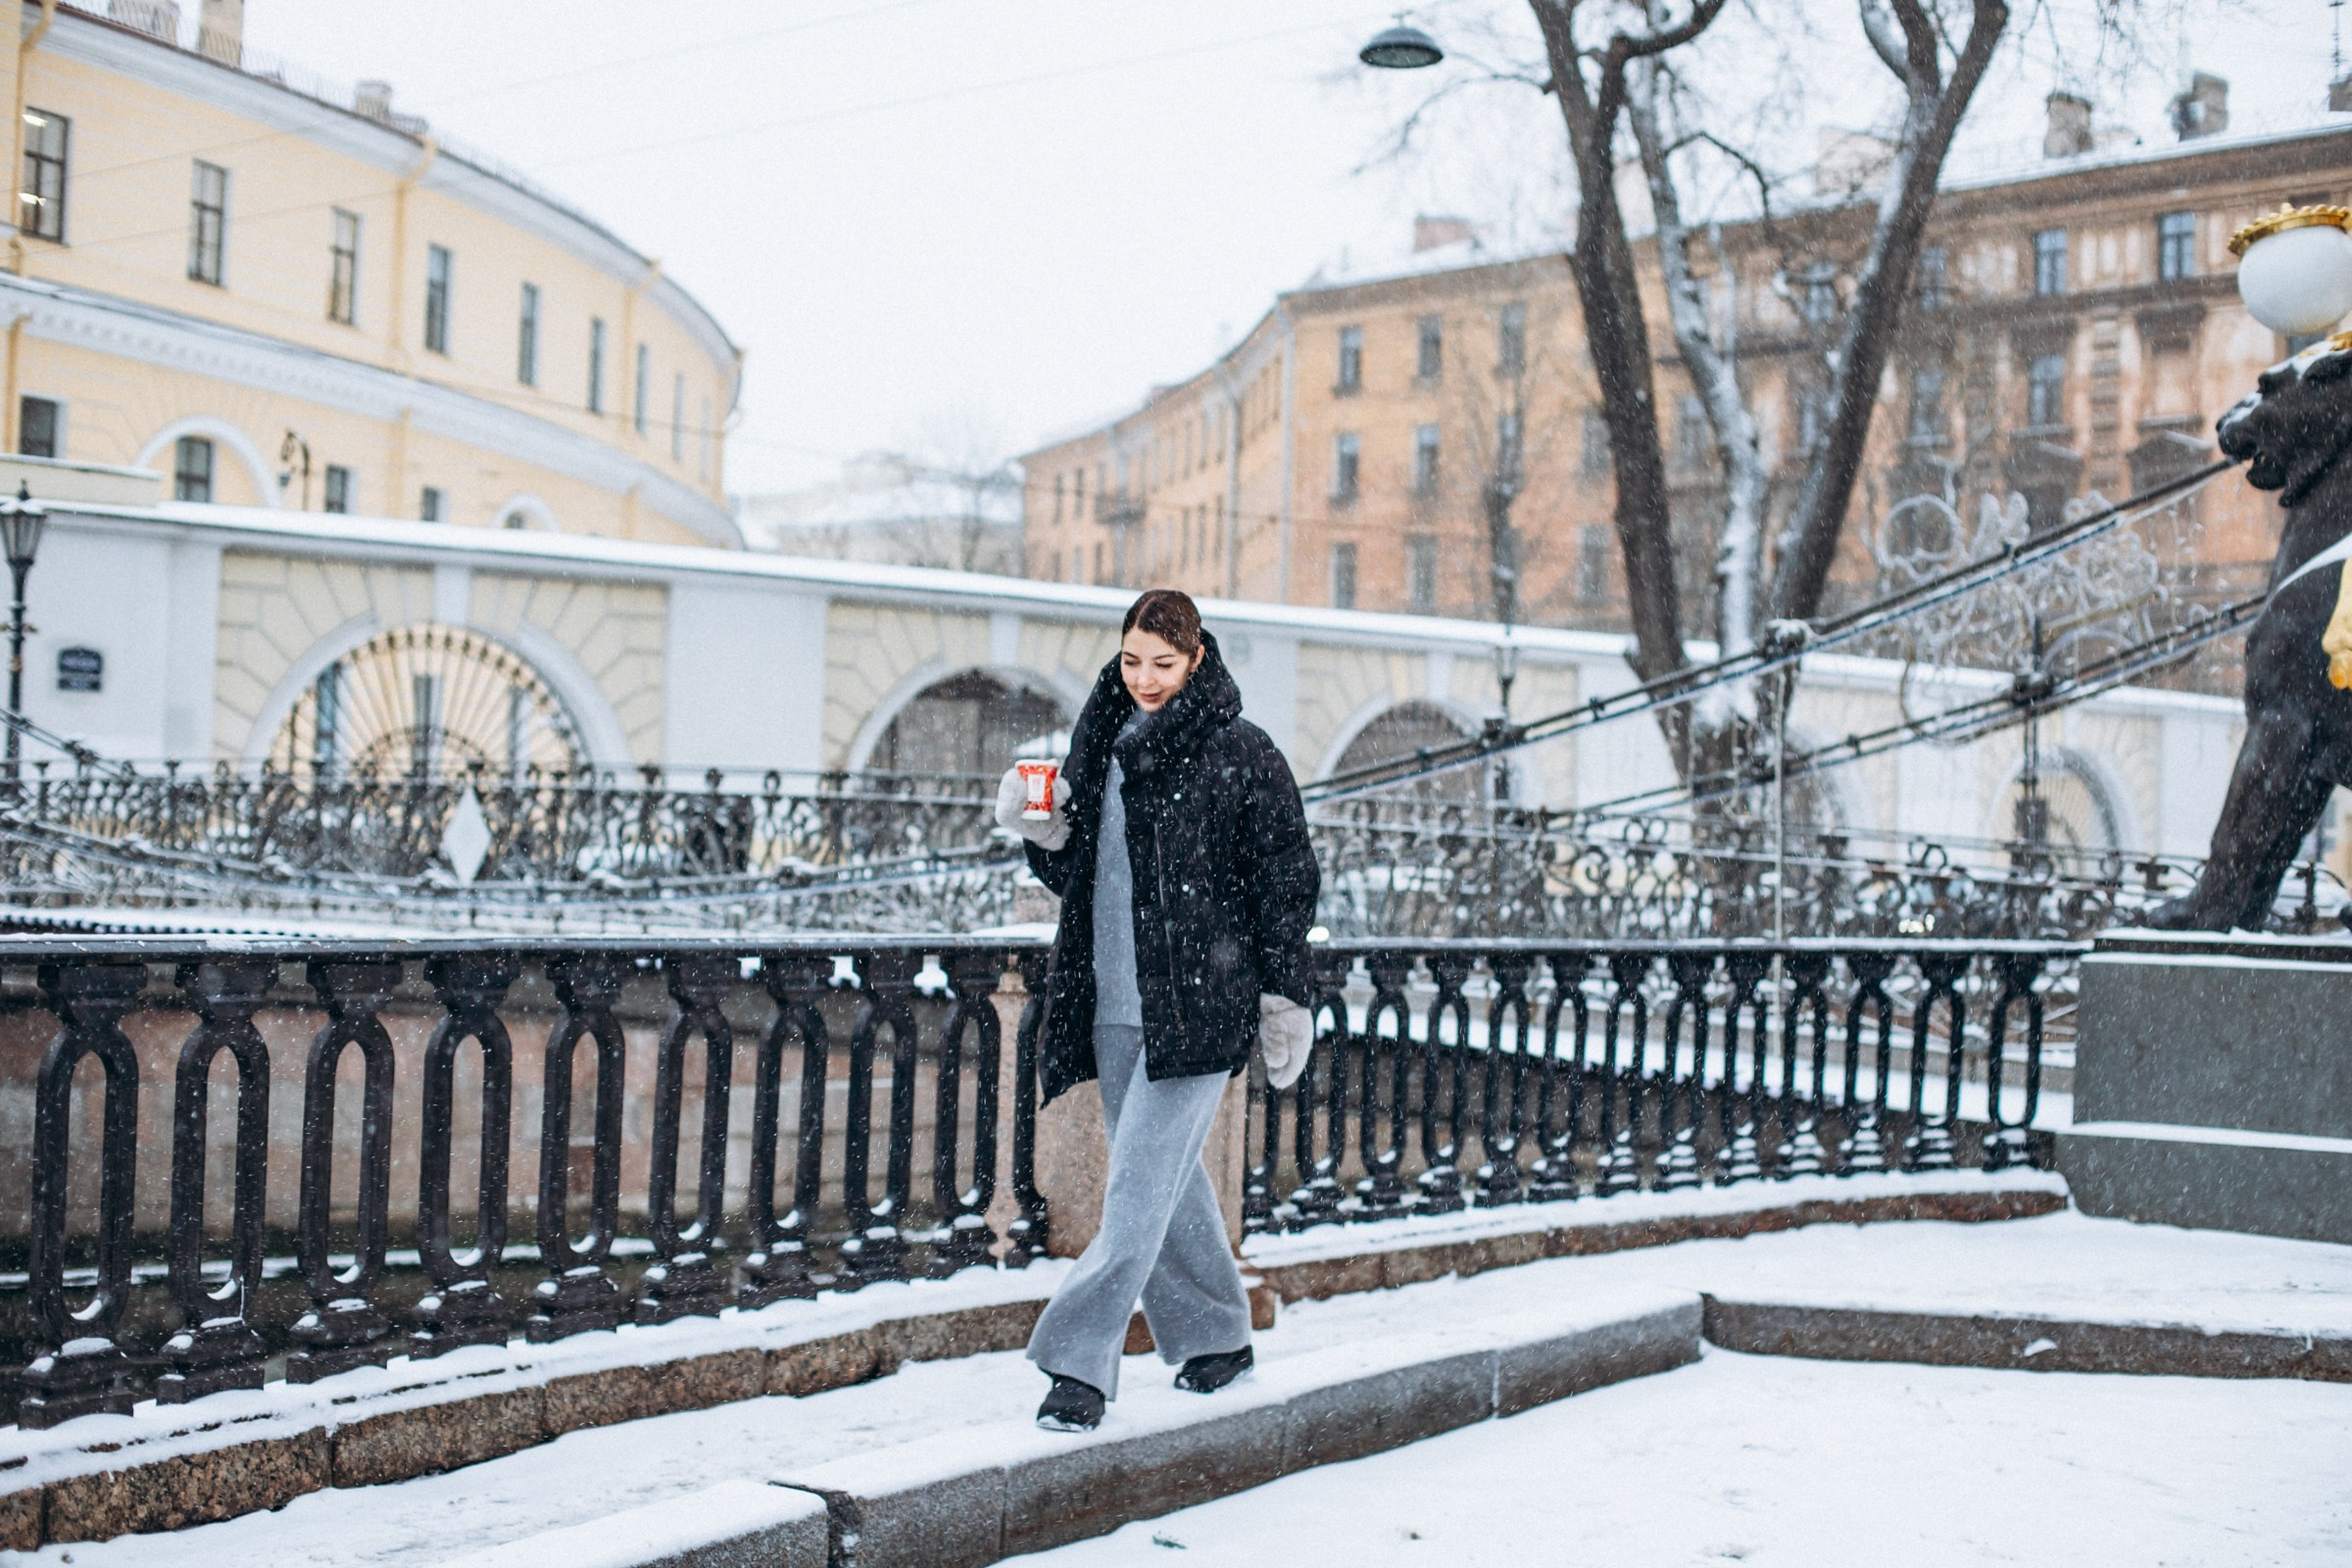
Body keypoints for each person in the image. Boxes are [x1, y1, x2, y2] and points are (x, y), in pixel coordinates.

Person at [993, 587, 1318, 1433]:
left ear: (1196, 658)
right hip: (1110, 997)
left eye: (1163, 664)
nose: (1144, 678)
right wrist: (1044, 834)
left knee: (1132, 1198)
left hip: (1199, 1011)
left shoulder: (1240, 752)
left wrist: (1285, 993)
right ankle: (1217, 1338)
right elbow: (1084, 882)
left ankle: (1077, 1367)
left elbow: (1285, 881)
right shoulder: (1099, 745)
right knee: (1168, 1191)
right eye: (1132, 660)